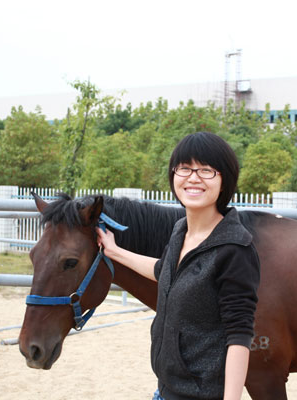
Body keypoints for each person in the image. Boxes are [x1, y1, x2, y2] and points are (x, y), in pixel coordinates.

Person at [96, 131, 260, 400]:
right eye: (185, 168)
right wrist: (115, 251)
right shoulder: (180, 230)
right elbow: (165, 271)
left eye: (206, 170)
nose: (193, 177)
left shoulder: (235, 249)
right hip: (166, 390)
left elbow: (239, 336)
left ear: (224, 180)